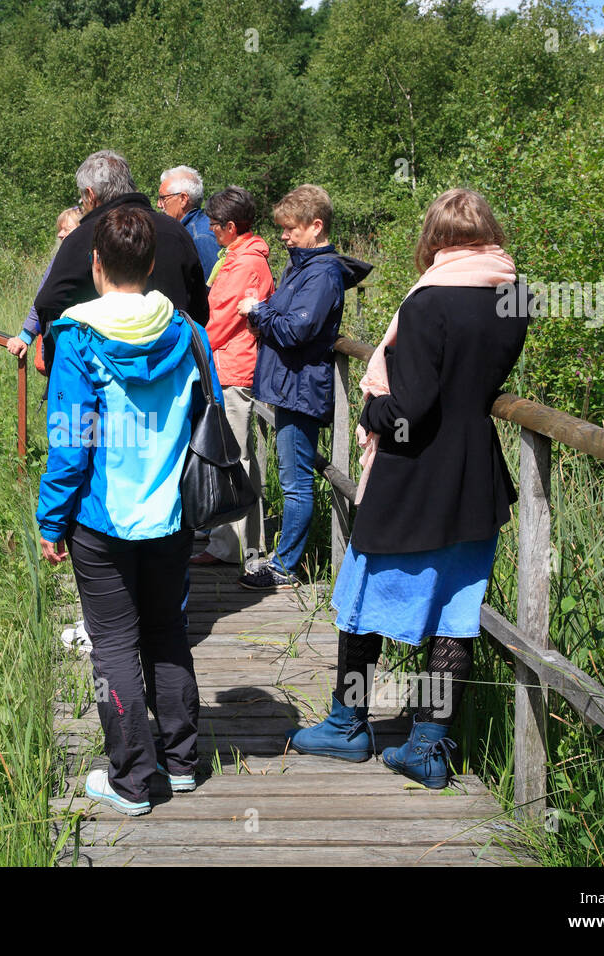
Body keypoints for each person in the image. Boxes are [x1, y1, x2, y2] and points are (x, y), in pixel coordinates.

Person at [287, 188, 526, 790]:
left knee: (361, 599)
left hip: (413, 472)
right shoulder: (516, 296)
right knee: (454, 611)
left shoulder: (429, 304)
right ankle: (427, 743)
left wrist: (371, 413)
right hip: (474, 476)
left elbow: (412, 409)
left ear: (435, 237)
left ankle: (347, 725)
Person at [36, 206, 222, 817]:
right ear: (149, 266)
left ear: (95, 265)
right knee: (168, 633)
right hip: (173, 514)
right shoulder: (189, 331)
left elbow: (69, 440)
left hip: (102, 517)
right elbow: (210, 412)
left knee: (114, 642)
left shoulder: (75, 337)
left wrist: (50, 520)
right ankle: (183, 762)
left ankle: (133, 781)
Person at [235, 185, 372, 590]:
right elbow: (286, 318)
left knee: (296, 480)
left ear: (316, 226)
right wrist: (265, 313)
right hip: (290, 385)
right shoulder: (301, 266)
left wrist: (257, 311)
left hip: (300, 388)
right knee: (294, 473)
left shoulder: (323, 273)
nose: (283, 236)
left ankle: (286, 566)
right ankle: (285, 560)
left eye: (290, 228)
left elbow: (295, 329)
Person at [34, 150, 209, 378]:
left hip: (102, 381)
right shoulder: (176, 232)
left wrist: (67, 363)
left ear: (91, 194)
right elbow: (198, 311)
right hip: (174, 380)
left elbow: (49, 302)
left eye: (81, 199)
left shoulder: (83, 237)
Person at [189, 186, 273, 570]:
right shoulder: (235, 256)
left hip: (234, 368)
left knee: (235, 456)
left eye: (215, 224)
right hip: (228, 365)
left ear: (231, 227)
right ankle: (233, 542)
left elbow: (221, 319)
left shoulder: (245, 264)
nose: (210, 228)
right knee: (233, 454)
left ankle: (237, 547)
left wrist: (190, 344)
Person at [5, 206, 83, 361]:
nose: (60, 234)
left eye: (66, 229)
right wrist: (25, 336)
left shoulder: (96, 259)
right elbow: (43, 298)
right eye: (59, 229)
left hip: (83, 345)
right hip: (59, 344)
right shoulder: (59, 259)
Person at [157, 165, 220, 281]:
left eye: (163, 198)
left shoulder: (199, 238)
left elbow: (214, 290)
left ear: (183, 199)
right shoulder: (197, 227)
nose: (159, 205)